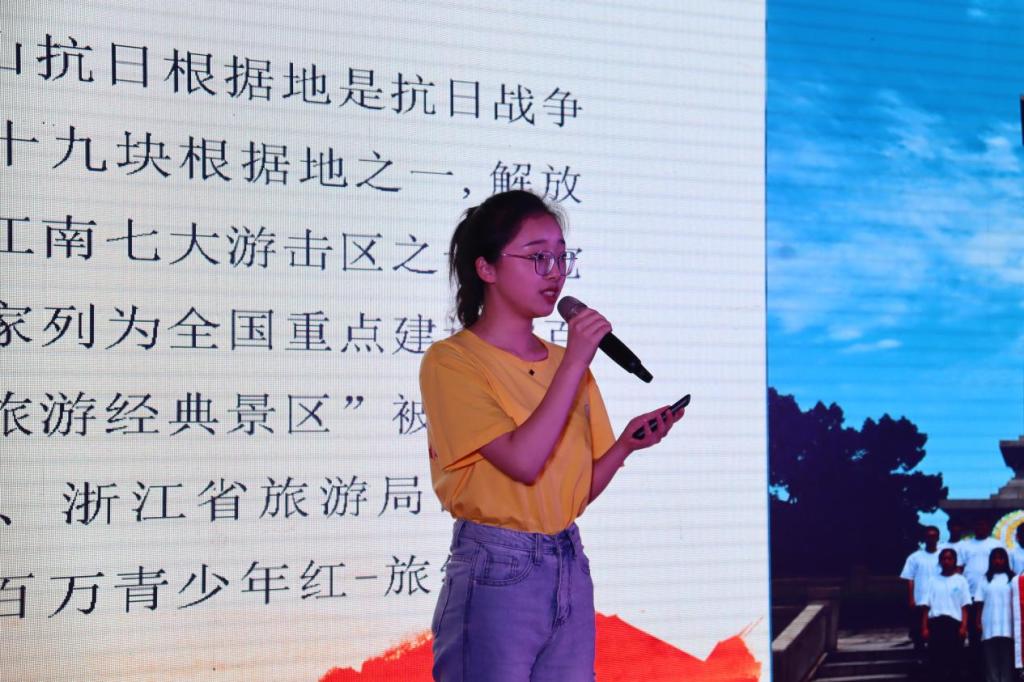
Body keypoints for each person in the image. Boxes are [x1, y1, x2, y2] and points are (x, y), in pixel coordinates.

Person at [420, 190, 684, 681]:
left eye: (562, 257)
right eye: (538, 257)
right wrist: (577, 359)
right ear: (486, 268)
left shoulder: (567, 364)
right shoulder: (453, 361)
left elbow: (572, 495)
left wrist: (624, 446)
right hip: (497, 567)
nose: (555, 272)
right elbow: (522, 463)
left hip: (567, 559)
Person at [921, 548, 971, 682]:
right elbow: (926, 606)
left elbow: (965, 606)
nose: (946, 561)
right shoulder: (932, 580)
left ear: (955, 561)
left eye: (949, 558)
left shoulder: (961, 581)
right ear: (940, 561)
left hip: (954, 625)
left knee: (955, 661)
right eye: (943, 559)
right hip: (936, 624)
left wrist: (964, 626)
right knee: (936, 661)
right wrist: (924, 627)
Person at [974, 547, 1016, 682]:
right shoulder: (985, 579)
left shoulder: (1013, 579)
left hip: (1008, 625)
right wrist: (978, 621)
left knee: (1007, 659)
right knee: (990, 660)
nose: (998, 561)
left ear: (1006, 560)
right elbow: (979, 602)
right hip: (989, 624)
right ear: (991, 560)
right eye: (995, 558)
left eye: (1000, 558)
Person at [901, 525, 942, 653]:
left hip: (938, 601)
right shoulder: (914, 557)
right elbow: (909, 578)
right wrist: (911, 599)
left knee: (936, 635)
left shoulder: (943, 556)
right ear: (925, 538)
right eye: (929, 536)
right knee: (918, 634)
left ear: (938, 538)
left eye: (934, 536)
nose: (931, 539)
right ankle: (920, 659)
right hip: (919, 601)